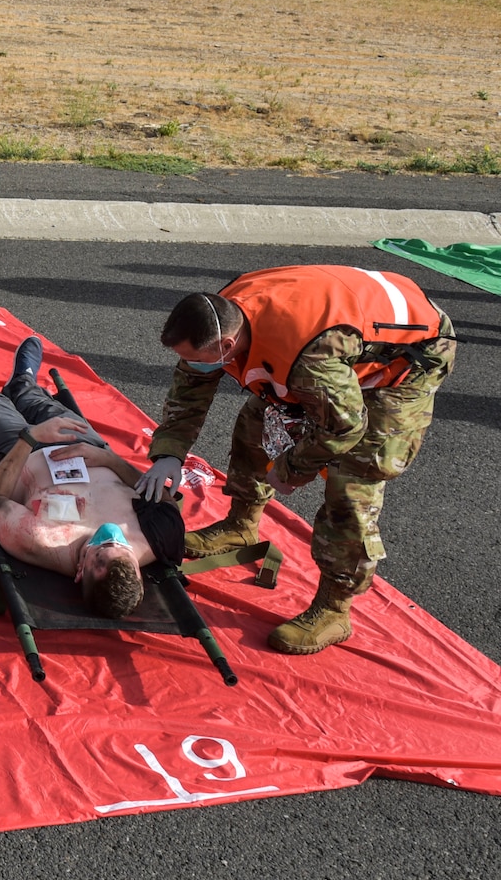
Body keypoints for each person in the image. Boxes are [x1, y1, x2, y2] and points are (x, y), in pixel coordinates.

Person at [137, 265, 456, 655]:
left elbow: (344, 428)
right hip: (339, 339)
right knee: (258, 420)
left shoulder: (309, 359)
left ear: (226, 344)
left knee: (354, 475)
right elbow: (192, 384)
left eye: (197, 357)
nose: (192, 364)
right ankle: (241, 525)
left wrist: (291, 469)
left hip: (410, 360)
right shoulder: (221, 315)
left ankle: (334, 610)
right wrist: (169, 452)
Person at [0, 334, 186, 620]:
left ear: (80, 571)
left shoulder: (40, 539)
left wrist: (29, 440)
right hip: (89, 449)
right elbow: (161, 495)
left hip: (20, 454)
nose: (113, 534)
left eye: (102, 547)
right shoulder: (159, 538)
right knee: (36, 400)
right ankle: (23, 381)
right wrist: (109, 459)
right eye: (122, 547)